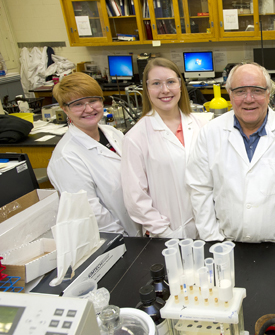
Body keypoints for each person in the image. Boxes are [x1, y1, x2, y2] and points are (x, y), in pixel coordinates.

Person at [186, 63, 275, 243]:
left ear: (268, 94)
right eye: (240, 91)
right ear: (229, 94)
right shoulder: (210, 134)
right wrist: (213, 241)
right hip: (226, 244)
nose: (249, 99)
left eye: (257, 90)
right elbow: (200, 191)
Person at [47, 72, 141, 236]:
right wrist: (123, 239)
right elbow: (91, 211)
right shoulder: (67, 157)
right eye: (78, 104)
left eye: (93, 100)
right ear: (65, 109)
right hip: (114, 239)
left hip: (138, 228)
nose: (89, 109)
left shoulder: (112, 133)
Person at [121, 58, 205, 238]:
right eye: (156, 83)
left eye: (171, 82)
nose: (165, 90)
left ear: (180, 85)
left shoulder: (199, 125)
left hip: (205, 228)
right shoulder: (136, 137)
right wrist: (164, 232)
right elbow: (135, 197)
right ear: (147, 89)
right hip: (167, 234)